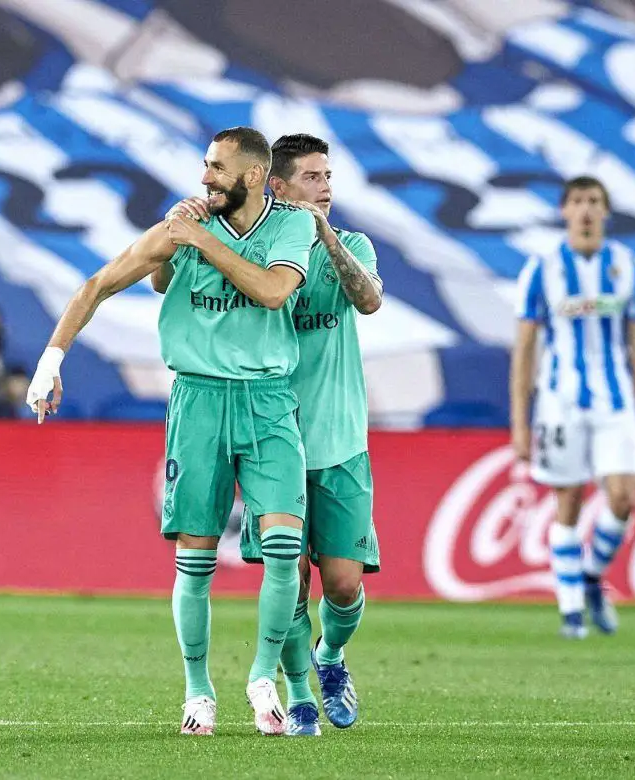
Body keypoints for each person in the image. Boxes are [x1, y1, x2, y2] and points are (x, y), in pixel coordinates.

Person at [26, 127, 316, 736]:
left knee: (285, 549)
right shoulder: (181, 225)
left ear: (255, 176)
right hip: (199, 400)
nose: (205, 177)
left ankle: (262, 676)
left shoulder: (292, 225)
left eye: (218, 168)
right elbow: (99, 283)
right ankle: (197, 692)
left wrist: (199, 240)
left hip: (268, 399)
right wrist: (51, 361)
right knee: (196, 559)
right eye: (205, 165)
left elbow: (271, 291)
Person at [161, 133, 383, 736]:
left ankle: (330, 656)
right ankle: (297, 691)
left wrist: (325, 235)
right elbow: (171, 282)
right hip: (273, 428)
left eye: (329, 176)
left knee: (342, 584)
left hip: (339, 438)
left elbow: (368, 301)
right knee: (290, 577)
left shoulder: (350, 245)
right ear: (278, 186)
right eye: (313, 177)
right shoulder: (257, 250)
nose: (326, 187)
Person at [510, 175, 635, 640]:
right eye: (577, 201)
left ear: (605, 211)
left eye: (594, 201)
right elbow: (524, 350)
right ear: (564, 211)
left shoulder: (630, 268)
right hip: (559, 401)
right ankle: (572, 613)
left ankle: (592, 576)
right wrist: (519, 421)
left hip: (615, 401)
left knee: (623, 498)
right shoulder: (541, 270)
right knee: (568, 501)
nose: (585, 210)